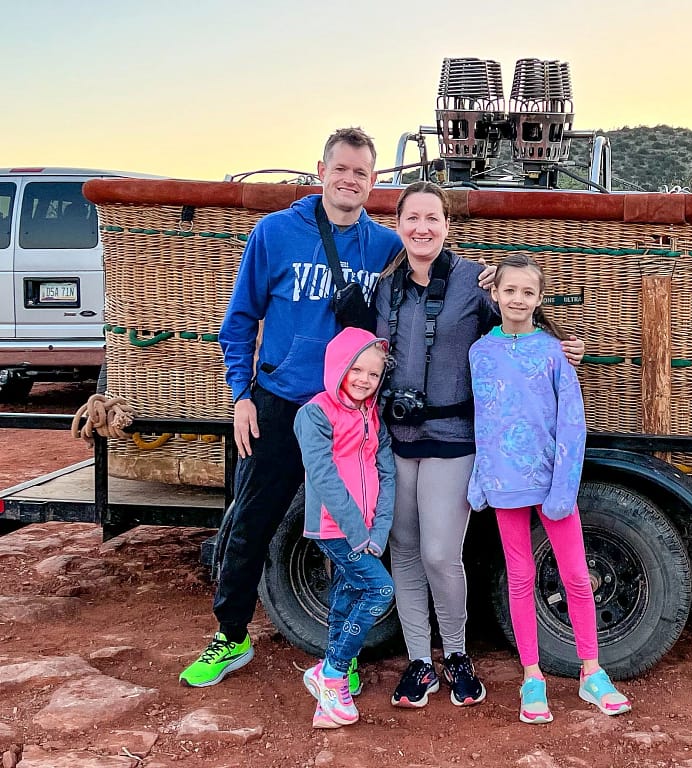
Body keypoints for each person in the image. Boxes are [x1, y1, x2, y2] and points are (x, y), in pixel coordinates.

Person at [179, 127, 402, 689]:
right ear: (320, 171)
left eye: (361, 173)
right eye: (341, 169)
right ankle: (231, 635)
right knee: (250, 520)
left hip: (348, 413)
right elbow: (241, 319)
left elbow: (442, 287)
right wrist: (241, 395)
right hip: (279, 402)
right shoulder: (276, 233)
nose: (350, 180)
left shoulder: (385, 247)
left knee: (345, 532)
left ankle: (339, 654)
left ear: (373, 183)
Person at [374, 182, 585, 709]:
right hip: (396, 438)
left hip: (453, 438)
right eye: (413, 218)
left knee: (440, 553)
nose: (422, 228)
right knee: (403, 550)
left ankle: (458, 655)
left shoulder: (475, 281)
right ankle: (420, 660)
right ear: (398, 224)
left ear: (447, 225)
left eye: (433, 219)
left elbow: (518, 327)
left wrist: (562, 347)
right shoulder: (384, 287)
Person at [467, 253, 631, 724]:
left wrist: (564, 486)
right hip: (505, 484)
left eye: (527, 292)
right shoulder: (480, 353)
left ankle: (591, 671)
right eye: (509, 290)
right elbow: (484, 419)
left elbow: (572, 422)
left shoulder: (554, 352)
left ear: (539, 300)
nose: (517, 299)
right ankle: (532, 676)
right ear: (495, 294)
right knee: (519, 579)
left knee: (577, 575)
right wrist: (482, 476)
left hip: (550, 482)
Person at [294, 327, 395, 728]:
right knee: (379, 588)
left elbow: (386, 474)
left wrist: (379, 530)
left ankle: (327, 697)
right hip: (335, 528)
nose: (364, 380)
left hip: (367, 529)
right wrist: (358, 534)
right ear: (339, 366)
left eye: (373, 374)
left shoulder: (372, 415)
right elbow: (324, 478)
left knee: (347, 591)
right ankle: (333, 671)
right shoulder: (315, 413)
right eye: (356, 369)